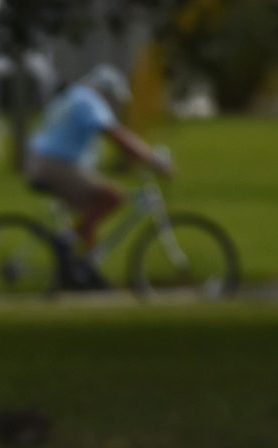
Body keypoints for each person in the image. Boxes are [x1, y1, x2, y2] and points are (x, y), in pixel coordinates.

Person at [23, 64, 174, 286]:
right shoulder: (89, 101)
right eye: (113, 100)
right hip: (54, 164)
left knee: (92, 211)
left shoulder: (73, 96)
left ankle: (84, 273)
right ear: (105, 92)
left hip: (43, 161)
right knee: (112, 198)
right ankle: (65, 243)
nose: (114, 106)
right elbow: (117, 137)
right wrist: (154, 160)